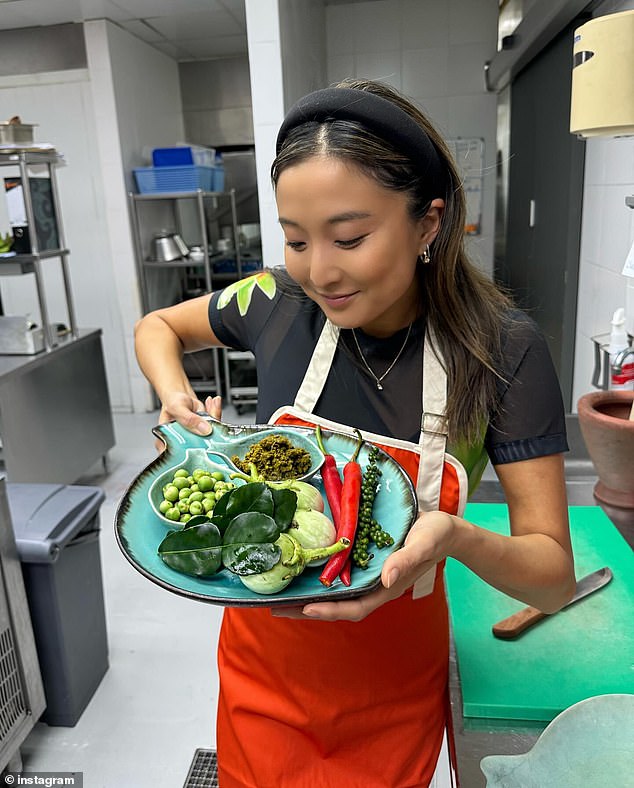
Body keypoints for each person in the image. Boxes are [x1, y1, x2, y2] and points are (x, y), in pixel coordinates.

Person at [134, 78, 575, 787]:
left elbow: (553, 581)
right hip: (261, 677)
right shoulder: (274, 301)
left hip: (391, 688)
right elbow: (156, 327)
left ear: (428, 224)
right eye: (296, 239)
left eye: (349, 238)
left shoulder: (503, 350)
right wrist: (177, 398)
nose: (321, 272)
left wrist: (458, 538)